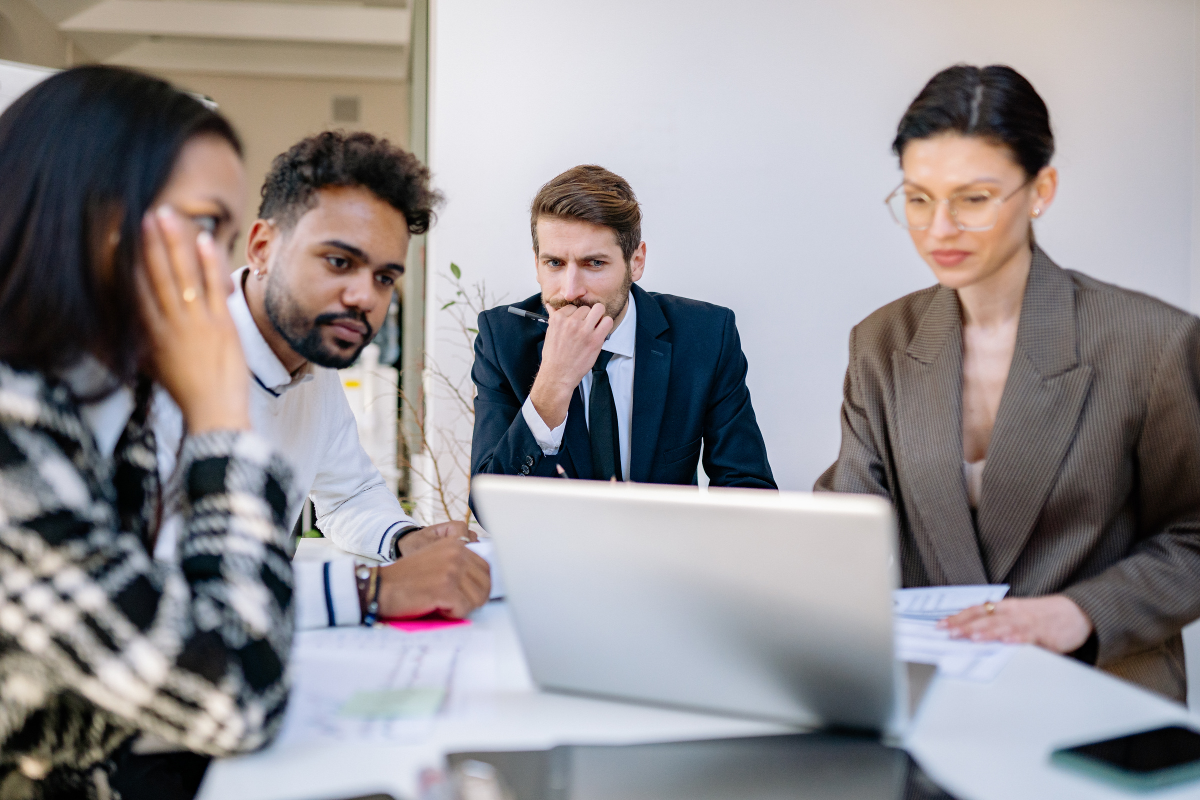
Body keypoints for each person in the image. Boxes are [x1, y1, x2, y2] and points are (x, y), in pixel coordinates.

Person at [816, 64, 1200, 701]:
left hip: (1101, 696)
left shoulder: (1152, 343)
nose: (940, 229)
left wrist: (1077, 613)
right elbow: (852, 523)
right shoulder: (880, 341)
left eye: (973, 199)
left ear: (1040, 189)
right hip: (933, 695)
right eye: (917, 198)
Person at [0, 66, 294, 798]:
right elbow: (234, 696)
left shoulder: (96, 407)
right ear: (86, 213)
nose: (221, 278)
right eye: (201, 226)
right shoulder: (11, 424)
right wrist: (222, 420)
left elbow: (100, 696)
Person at [154, 131, 491, 630]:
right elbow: (154, 584)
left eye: (384, 277)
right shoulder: (157, 367)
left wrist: (404, 539)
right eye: (339, 262)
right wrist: (371, 590)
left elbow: (348, 494)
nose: (365, 297)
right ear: (263, 248)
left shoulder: (315, 360)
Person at [471, 165, 775, 489]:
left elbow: (748, 488)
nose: (570, 290)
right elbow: (490, 505)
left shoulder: (706, 335)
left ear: (636, 262)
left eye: (594, 263)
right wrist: (553, 382)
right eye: (555, 263)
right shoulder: (502, 339)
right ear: (536, 264)